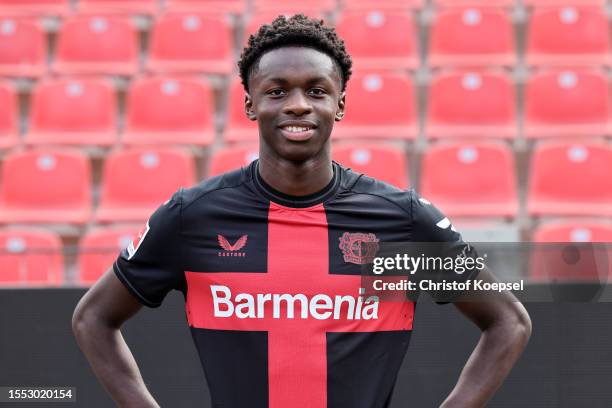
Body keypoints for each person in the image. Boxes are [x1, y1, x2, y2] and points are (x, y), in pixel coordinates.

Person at [72, 15, 531, 408]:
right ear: (250, 104)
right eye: (277, 91)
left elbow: (508, 321)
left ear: (340, 103)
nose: (297, 105)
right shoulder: (193, 216)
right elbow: (93, 318)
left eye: (316, 90)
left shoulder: (402, 218)